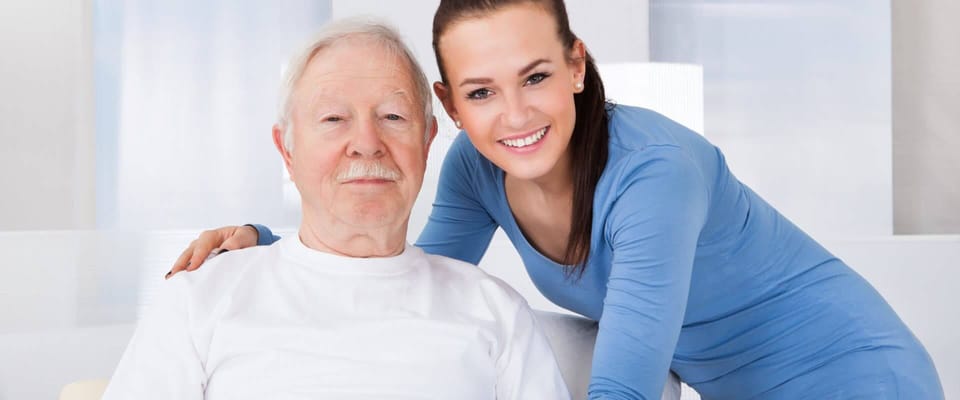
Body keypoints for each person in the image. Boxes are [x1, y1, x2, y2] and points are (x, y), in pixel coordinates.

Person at [172, 1, 944, 399]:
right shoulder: (478, 170)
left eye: (536, 76)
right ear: (450, 104)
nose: (514, 115)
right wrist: (271, 247)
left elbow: (623, 390)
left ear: (577, 65)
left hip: (856, 376)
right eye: (482, 91)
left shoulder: (655, 174)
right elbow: (403, 278)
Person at [103, 18, 572, 400]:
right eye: (333, 119)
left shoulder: (496, 311)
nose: (367, 143)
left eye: (393, 117)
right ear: (287, 151)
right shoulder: (199, 298)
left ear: (427, 142)